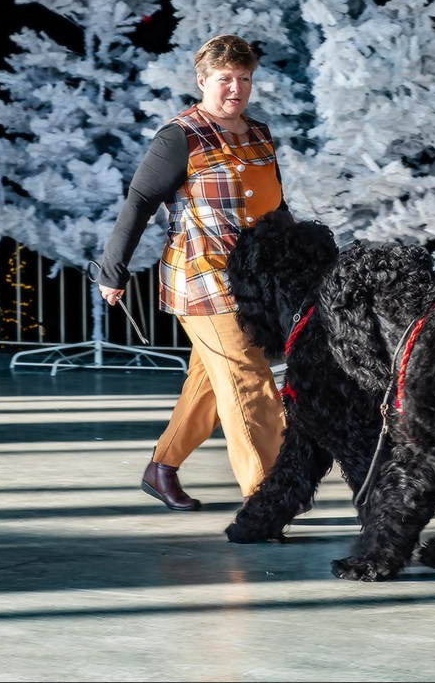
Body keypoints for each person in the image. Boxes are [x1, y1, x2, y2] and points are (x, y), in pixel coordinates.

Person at [96, 34, 287, 511]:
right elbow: (139, 202)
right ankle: (265, 499)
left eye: (244, 79)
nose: (235, 89)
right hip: (203, 279)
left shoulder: (259, 134)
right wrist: (112, 269)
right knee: (248, 380)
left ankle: (161, 467)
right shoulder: (181, 136)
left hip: (252, 282)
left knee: (208, 383)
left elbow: (276, 210)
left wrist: (303, 264)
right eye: (225, 79)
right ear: (203, 81)